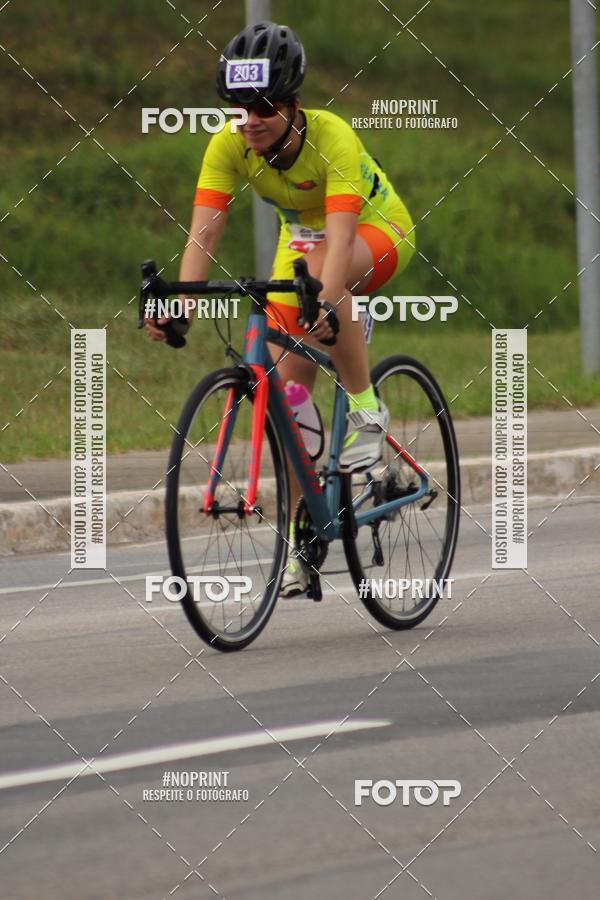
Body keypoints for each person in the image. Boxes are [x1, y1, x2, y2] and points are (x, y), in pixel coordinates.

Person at [146, 21, 415, 597]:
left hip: (372, 227)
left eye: (264, 105)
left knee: (321, 278)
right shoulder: (228, 145)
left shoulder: (332, 137)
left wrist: (324, 298)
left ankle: (368, 410)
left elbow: (340, 245)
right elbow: (203, 236)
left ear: (294, 104)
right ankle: (307, 526)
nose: (251, 118)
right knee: (281, 392)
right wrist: (182, 305)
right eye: (239, 106)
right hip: (302, 240)